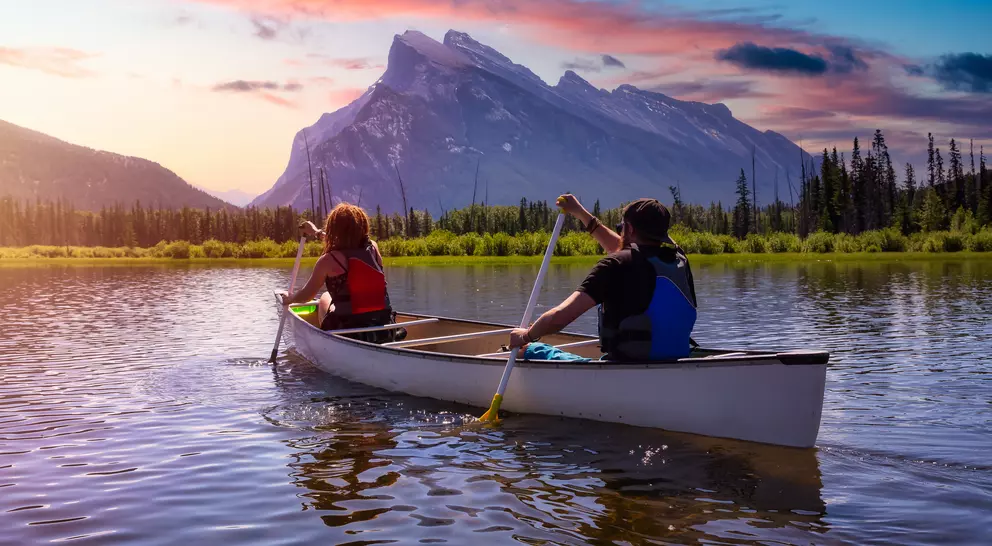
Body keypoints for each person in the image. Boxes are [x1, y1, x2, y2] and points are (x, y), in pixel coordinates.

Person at [508, 195, 697, 361]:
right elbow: (624, 250)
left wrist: (526, 336)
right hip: (678, 357)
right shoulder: (679, 260)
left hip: (627, 363)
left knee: (530, 350)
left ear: (629, 229)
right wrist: (580, 213)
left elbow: (559, 318)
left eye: (622, 227)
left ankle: (529, 350)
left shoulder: (615, 265)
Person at [280, 203, 398, 342]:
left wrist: (290, 299)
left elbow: (306, 296)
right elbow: (349, 244)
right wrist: (316, 232)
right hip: (383, 327)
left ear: (333, 229)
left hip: (349, 332)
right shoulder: (373, 249)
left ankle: (325, 342)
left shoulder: (328, 261)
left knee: (324, 296)